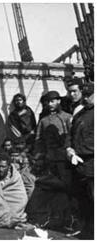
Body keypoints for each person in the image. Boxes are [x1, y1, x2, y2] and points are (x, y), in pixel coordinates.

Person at [66, 82, 94, 239]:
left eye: (91, 95)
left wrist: (80, 151)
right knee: (83, 200)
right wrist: (69, 149)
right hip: (79, 165)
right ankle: (87, 230)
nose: (88, 98)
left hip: (92, 164)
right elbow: (71, 134)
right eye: (86, 95)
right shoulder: (80, 113)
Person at [35, 91, 72, 192]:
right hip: (50, 157)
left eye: (52, 101)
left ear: (59, 101)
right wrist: (39, 156)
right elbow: (39, 139)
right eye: (48, 102)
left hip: (64, 158)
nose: (50, 104)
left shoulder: (67, 117)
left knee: (66, 185)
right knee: (51, 185)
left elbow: (72, 136)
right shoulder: (44, 120)